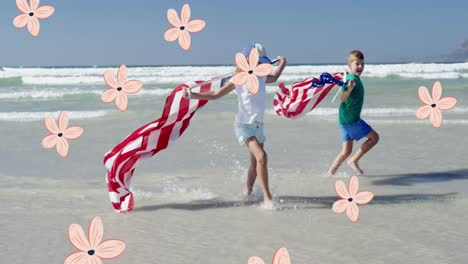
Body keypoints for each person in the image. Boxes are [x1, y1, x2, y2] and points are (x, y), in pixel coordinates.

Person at [182, 43, 287, 206]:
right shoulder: (237, 79)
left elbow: (274, 77)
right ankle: (267, 197)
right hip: (243, 126)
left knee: (255, 163)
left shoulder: (261, 76)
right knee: (262, 157)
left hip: (259, 126)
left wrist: (282, 64)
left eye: (261, 62)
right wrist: (193, 95)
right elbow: (216, 94)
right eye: (257, 61)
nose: (260, 65)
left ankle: (248, 191)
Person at [328, 50, 379, 176]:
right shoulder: (351, 80)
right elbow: (343, 98)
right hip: (351, 121)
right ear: (350, 65)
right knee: (374, 138)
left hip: (344, 119)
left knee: (346, 151)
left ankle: (330, 173)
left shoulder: (353, 78)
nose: (360, 67)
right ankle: (354, 160)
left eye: (362, 64)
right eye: (357, 64)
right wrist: (349, 89)